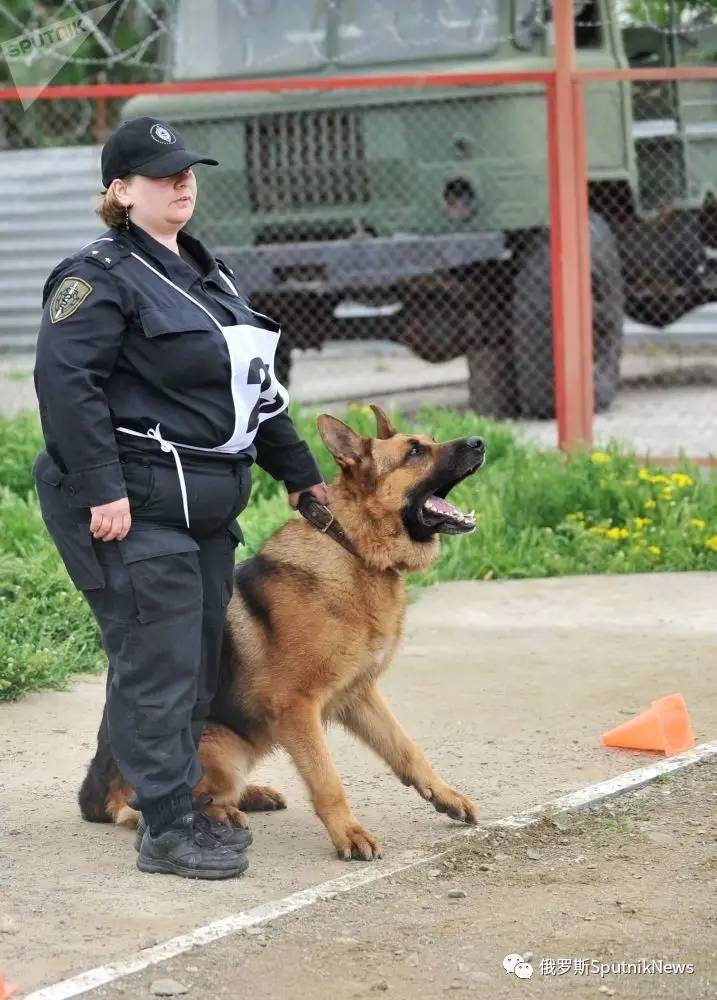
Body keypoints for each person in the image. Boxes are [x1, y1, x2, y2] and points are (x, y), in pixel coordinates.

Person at [32, 115, 329, 881]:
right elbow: (67, 387)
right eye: (162, 175)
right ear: (121, 191)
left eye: (186, 171)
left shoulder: (206, 273)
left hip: (203, 507)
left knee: (190, 658)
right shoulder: (94, 277)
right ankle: (167, 826)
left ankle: (111, 787)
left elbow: (255, 391)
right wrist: (101, 488)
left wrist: (298, 474)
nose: (182, 182)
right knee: (158, 659)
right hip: (130, 503)